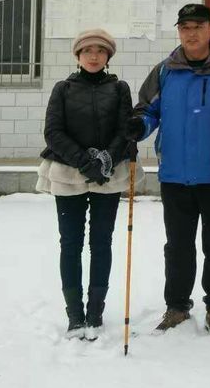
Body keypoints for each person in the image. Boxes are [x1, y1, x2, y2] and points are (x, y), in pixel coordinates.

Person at [127, 3, 210, 335]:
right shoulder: (165, 71)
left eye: (197, 26)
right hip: (175, 175)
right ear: (178, 31)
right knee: (177, 245)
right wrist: (139, 126)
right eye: (184, 27)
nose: (191, 33)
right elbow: (147, 110)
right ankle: (177, 306)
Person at [37, 28, 136, 340]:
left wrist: (105, 159)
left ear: (108, 56)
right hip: (69, 173)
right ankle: (74, 314)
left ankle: (95, 311)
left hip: (109, 175)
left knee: (101, 243)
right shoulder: (63, 89)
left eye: (100, 51)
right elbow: (53, 131)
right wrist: (84, 162)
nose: (94, 56)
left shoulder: (119, 88)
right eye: (88, 50)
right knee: (70, 243)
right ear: (78, 55)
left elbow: (126, 130)